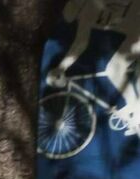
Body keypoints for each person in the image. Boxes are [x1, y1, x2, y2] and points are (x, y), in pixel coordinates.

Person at [47, 0, 140, 135]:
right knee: (125, 69)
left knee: (114, 69)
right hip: (134, 30)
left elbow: (80, 44)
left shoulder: (89, 6)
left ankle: (136, 113)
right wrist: (62, 67)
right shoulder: (85, 13)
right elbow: (80, 44)